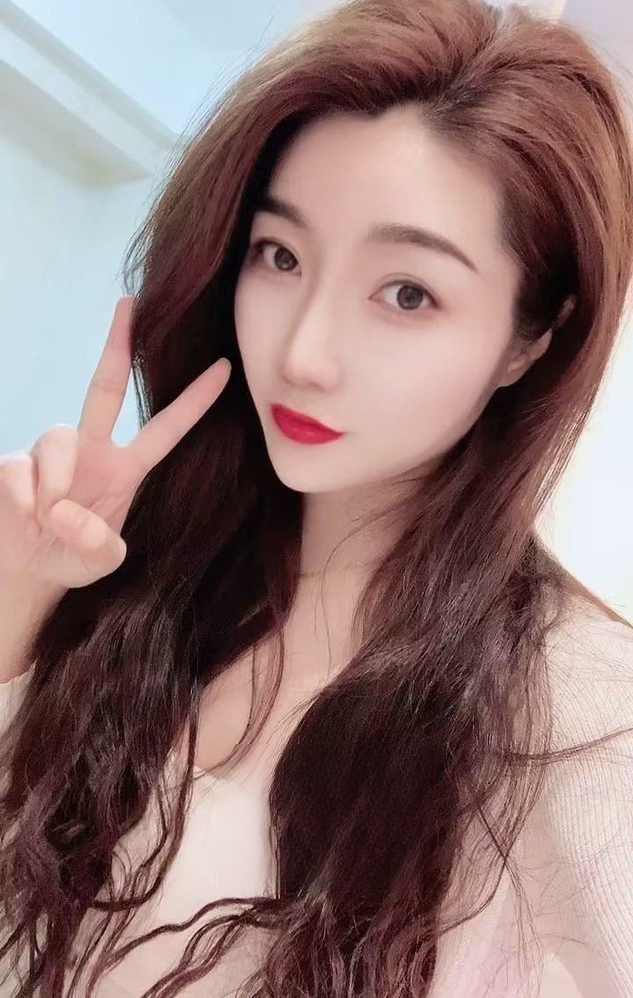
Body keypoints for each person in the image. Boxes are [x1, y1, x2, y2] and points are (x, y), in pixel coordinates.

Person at [1, 0, 632, 994]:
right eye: (281, 256)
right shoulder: (153, 559)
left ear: (529, 338)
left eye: (407, 293)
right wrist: (22, 594)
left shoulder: (574, 700)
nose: (303, 353)